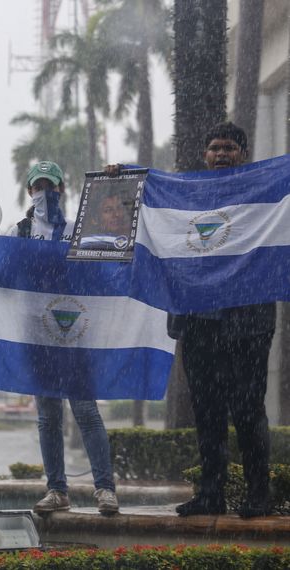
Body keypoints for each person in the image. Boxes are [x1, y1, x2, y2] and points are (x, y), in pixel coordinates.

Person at [109, 122, 275, 518]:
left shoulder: (261, 190)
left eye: (229, 148)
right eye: (215, 147)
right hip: (199, 323)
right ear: (204, 154)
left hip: (247, 323)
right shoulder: (187, 197)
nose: (221, 154)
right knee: (208, 412)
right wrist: (123, 178)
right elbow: (150, 204)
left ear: (243, 154)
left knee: (249, 411)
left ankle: (259, 495)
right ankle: (211, 494)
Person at [7, 161, 119, 516]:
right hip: (37, 336)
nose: (45, 193)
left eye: (51, 186)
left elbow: (104, 263)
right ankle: (57, 489)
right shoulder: (18, 231)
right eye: (38, 187)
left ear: (61, 190)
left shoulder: (76, 229)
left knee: (86, 411)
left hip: (74, 332)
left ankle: (105, 489)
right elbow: (0, 269)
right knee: (48, 416)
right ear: (29, 192)